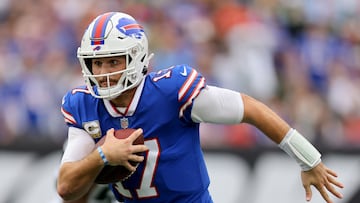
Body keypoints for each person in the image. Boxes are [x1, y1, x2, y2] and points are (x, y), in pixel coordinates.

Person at [57, 12, 344, 203]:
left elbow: (250, 109)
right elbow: (66, 187)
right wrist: (102, 156)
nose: (104, 72)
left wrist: (310, 160)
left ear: (136, 58)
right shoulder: (84, 104)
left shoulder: (172, 91)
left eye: (113, 61)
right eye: (97, 63)